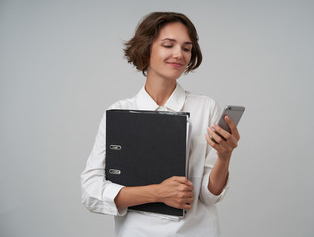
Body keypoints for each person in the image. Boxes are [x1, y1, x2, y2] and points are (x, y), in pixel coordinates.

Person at [81, 12, 241, 236]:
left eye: (186, 48)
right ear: (146, 49)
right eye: (168, 45)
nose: (179, 54)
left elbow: (209, 195)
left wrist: (225, 157)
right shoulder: (117, 113)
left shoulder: (206, 107)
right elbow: (91, 192)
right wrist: (157, 193)